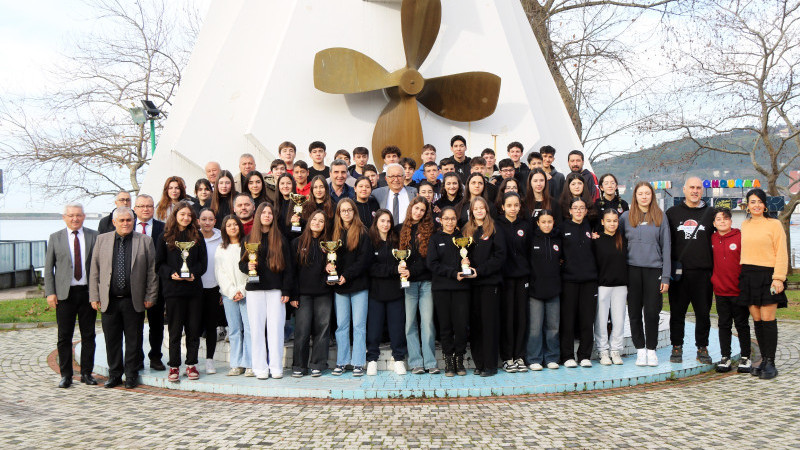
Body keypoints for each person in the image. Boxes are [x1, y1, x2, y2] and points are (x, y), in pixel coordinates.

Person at [89, 207, 157, 389]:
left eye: (129, 220)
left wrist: (150, 295)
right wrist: (94, 296)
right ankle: (115, 375)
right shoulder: (102, 240)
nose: (126, 223)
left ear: (134, 221)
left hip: (133, 300)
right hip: (109, 300)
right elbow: (94, 270)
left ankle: (131, 375)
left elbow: (152, 271)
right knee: (112, 340)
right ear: (114, 222)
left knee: (134, 340)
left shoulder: (145, 241)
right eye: (122, 220)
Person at [45, 203, 99, 388]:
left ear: (84, 216)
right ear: (64, 217)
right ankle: (66, 375)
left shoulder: (94, 236)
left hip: (88, 293)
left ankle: (86, 373)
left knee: (89, 335)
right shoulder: (55, 238)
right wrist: (50, 292)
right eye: (71, 215)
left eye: (78, 215)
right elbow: (48, 268)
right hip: (64, 295)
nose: (75, 218)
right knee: (64, 336)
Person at [240, 202, 293, 379]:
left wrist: (286, 290)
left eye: (270, 213)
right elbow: (241, 263)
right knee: (256, 330)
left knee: (276, 330)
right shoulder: (248, 239)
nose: (267, 216)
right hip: (255, 291)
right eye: (264, 213)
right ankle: (260, 368)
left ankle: (276, 367)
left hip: (275, 291)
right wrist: (248, 267)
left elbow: (289, 268)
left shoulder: (281, 239)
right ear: (258, 216)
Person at [156, 201, 207, 382]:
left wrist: (194, 273)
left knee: (193, 330)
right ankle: (174, 366)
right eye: (182, 214)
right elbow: (159, 265)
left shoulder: (198, 236)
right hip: (174, 292)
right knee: (175, 331)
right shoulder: (164, 236)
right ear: (175, 215)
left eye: (188, 215)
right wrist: (171, 273)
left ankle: (191, 364)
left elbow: (203, 263)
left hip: (194, 291)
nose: (185, 218)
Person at [620, 182, 670, 366]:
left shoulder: (660, 216)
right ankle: (640, 350)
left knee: (651, 312)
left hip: (653, 270)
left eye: (647, 193)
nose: (644, 197)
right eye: (640, 193)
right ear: (635, 196)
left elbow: (667, 247)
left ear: (652, 196)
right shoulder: (625, 217)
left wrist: (666, 276)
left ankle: (651, 350)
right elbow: (617, 243)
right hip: (632, 270)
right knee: (634, 312)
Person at [739, 188, 787, 380]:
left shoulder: (774, 224)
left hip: (769, 276)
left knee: (768, 319)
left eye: (760, 201)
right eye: (753, 202)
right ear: (748, 206)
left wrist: (779, 277)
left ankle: (771, 362)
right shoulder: (745, 225)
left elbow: (781, 252)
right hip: (748, 275)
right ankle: (763, 359)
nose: (756, 205)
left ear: (765, 205)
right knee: (757, 319)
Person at [666, 176, 714, 364]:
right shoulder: (672, 213)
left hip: (703, 273)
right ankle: (676, 346)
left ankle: (702, 347)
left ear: (702, 191)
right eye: (691, 187)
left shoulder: (711, 213)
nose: (695, 191)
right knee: (677, 313)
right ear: (684, 190)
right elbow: (665, 242)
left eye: (698, 188)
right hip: (679, 274)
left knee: (703, 314)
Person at [426, 207, 472, 376]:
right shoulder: (435, 239)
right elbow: (432, 263)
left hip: (461, 289)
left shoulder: (463, 238)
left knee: (461, 326)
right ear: (440, 220)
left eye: (453, 218)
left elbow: (470, 259)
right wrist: (452, 273)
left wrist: (467, 263)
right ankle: (448, 362)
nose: (450, 222)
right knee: (445, 326)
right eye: (446, 218)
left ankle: (459, 360)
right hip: (442, 288)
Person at [330, 198, 373, 376]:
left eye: (349, 210)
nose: (346, 213)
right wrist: (330, 268)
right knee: (341, 325)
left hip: (358, 285)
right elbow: (331, 258)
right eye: (343, 210)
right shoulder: (334, 233)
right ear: (339, 213)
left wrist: (347, 275)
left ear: (354, 212)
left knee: (359, 325)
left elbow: (364, 260)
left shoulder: (362, 232)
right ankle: (341, 361)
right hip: (340, 287)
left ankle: (358, 362)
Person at [464, 196, 507, 376]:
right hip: (472, 285)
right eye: (476, 208)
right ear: (471, 212)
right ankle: (479, 363)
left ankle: (490, 365)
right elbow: (463, 253)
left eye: (482, 208)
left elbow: (500, 256)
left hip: (490, 283)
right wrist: (464, 263)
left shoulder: (495, 228)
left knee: (489, 324)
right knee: (476, 325)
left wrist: (480, 271)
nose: (479, 211)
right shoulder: (467, 230)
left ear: (487, 210)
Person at [290, 210, 333, 377]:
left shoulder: (329, 245)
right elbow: (292, 271)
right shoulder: (297, 242)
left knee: (322, 329)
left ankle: (318, 364)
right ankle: (299, 366)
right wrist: (294, 295)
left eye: (321, 221)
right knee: (302, 330)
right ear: (308, 222)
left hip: (323, 293)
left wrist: (331, 270)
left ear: (325, 225)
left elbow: (335, 267)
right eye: (314, 219)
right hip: (303, 294)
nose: (317, 223)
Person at [366, 209, 408, 376]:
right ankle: (372, 360)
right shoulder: (370, 241)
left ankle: (398, 359)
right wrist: (393, 270)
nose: (385, 224)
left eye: (388, 221)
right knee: (374, 328)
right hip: (376, 293)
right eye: (382, 221)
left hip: (395, 292)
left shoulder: (396, 241)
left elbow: (402, 262)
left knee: (397, 327)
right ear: (376, 222)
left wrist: (402, 270)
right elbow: (370, 267)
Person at [398, 196, 438, 374]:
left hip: (426, 282)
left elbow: (428, 259)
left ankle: (430, 362)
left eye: (422, 210)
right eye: (416, 208)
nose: (419, 212)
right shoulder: (400, 229)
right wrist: (402, 270)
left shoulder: (431, 230)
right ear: (410, 208)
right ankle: (416, 362)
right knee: (410, 323)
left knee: (427, 322)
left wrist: (411, 271)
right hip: (409, 284)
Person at [710, 207, 751, 373]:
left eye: (725, 218)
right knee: (724, 325)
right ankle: (725, 357)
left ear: (731, 221)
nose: (722, 222)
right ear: (714, 223)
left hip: (738, 290)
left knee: (741, 325)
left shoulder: (740, 237)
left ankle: (746, 357)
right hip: (720, 291)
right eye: (718, 219)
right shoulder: (712, 238)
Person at [560, 197, 598, 368]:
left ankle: (584, 355)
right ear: (570, 211)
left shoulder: (591, 227)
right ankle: (567, 355)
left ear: (586, 211)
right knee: (568, 320)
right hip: (569, 280)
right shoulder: (563, 228)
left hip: (589, 280)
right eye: (575, 208)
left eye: (582, 208)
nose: (579, 211)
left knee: (587, 320)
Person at [496, 192, 531, 373]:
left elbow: (530, 251)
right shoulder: (496, 225)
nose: (513, 208)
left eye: (516, 205)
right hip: (505, 278)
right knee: (507, 318)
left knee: (521, 318)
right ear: (503, 207)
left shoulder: (526, 225)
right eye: (509, 205)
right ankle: (507, 357)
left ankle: (519, 356)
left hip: (522, 277)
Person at [214, 215, 252, 377]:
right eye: (229, 225)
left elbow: (251, 270)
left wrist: (242, 290)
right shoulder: (221, 248)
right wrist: (231, 291)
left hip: (247, 293)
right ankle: (236, 364)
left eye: (235, 224)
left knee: (249, 329)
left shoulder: (247, 245)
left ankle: (249, 363)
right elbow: (219, 272)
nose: (232, 228)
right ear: (224, 229)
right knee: (235, 330)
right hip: (229, 295)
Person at [133, 194, 166, 370]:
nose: (145, 209)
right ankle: (137, 358)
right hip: (134, 284)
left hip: (157, 283)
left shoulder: (163, 228)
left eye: (149, 206)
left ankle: (155, 357)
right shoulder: (128, 226)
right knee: (135, 325)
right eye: (141, 206)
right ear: (135, 209)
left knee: (156, 324)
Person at [527, 209, 562, 371]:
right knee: (535, 327)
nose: (546, 225)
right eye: (543, 222)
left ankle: (552, 357)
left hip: (554, 289)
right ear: (538, 223)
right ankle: (534, 358)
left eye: (549, 222)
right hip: (535, 291)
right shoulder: (532, 240)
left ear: (553, 222)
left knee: (553, 327)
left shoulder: (558, 240)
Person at [593, 208, 628, 366]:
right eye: (608, 220)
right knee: (601, 320)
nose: (612, 224)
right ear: (602, 222)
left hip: (620, 286)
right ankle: (603, 351)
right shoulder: (596, 240)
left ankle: (615, 350)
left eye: (615, 221)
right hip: (602, 286)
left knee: (619, 320)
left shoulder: (623, 240)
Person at [198, 209, 223, 374]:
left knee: (211, 326)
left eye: (210, 219)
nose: (207, 222)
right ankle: (192, 361)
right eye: (204, 219)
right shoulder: (193, 237)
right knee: (194, 326)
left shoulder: (221, 238)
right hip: (195, 289)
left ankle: (209, 360)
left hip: (214, 288)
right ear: (198, 221)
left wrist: (222, 289)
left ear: (215, 221)